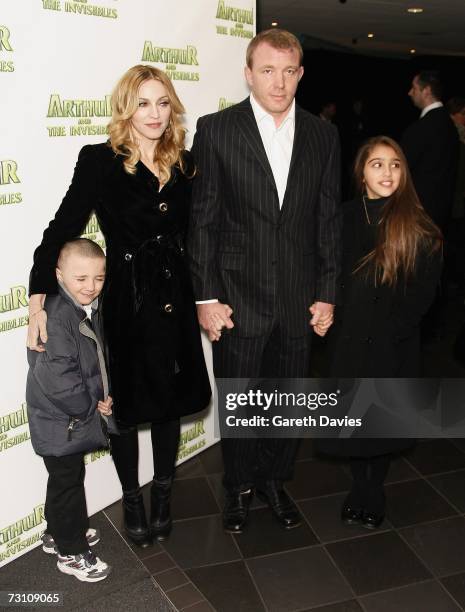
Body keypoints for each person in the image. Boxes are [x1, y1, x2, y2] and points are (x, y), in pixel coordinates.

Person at [27, 65, 211, 548]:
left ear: (172, 108)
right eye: (143, 103)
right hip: (127, 301)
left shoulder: (186, 163)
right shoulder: (101, 161)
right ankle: (132, 497)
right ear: (126, 108)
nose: (154, 113)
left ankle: (164, 496)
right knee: (123, 407)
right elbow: (64, 225)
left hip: (175, 294)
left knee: (170, 403)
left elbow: (202, 234)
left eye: (162, 102)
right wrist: (36, 295)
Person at [187, 29, 341, 533]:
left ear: (300, 74)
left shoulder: (323, 134)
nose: (279, 82)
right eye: (268, 70)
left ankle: (274, 482)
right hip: (236, 297)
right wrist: (206, 297)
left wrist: (327, 293)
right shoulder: (216, 130)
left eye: (289, 70)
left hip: (299, 297)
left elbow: (326, 221)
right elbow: (203, 221)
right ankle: (238, 488)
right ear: (249, 73)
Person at [320, 136, 442, 529]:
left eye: (395, 165)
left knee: (382, 422)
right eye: (377, 164)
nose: (387, 172)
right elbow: (329, 272)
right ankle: (359, 486)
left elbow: (425, 291)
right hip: (350, 337)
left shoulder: (419, 225)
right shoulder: (343, 216)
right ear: (361, 173)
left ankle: (373, 491)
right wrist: (326, 311)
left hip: (392, 341)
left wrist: (395, 330)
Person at [27, 238, 114, 582]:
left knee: (64, 479)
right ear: (59, 274)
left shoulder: (76, 309)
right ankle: (72, 551)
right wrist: (91, 407)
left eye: (99, 278)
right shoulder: (57, 316)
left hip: (66, 421)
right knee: (68, 484)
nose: (91, 287)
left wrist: (102, 398)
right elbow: (60, 380)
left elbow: (91, 367)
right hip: (60, 422)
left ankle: (57, 533)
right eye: (81, 279)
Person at [401, 70, 459, 233]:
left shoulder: (421, 128)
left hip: (419, 215)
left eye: (414, 88)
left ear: (426, 91)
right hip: (442, 214)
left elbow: (402, 170)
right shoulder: (450, 126)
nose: (409, 92)